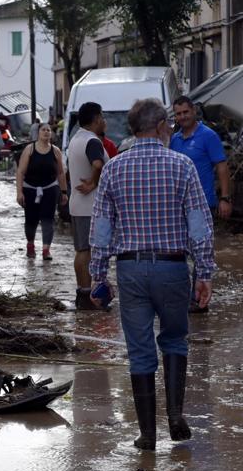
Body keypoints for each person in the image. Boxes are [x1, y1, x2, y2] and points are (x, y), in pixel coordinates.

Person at [89, 98, 215, 450]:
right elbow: (199, 228)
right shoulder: (183, 166)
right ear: (160, 126)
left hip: (130, 269)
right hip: (173, 267)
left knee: (140, 350)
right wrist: (204, 273)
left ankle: (147, 435)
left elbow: (101, 229)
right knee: (174, 340)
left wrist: (99, 275)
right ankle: (175, 415)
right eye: (170, 124)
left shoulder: (114, 168)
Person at [170, 95, 231, 313]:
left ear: (194, 111)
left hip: (203, 204)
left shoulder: (208, 136)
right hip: (178, 206)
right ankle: (184, 296)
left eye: (185, 112)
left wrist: (225, 198)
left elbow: (221, 167)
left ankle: (199, 300)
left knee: (201, 251)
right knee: (179, 251)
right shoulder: (174, 140)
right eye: (178, 114)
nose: (182, 117)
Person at [66, 101, 109, 310]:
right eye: (102, 116)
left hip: (78, 205)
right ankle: (86, 297)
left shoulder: (76, 139)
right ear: (96, 119)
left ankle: (84, 295)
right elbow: (98, 164)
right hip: (89, 207)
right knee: (86, 252)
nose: (105, 121)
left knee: (83, 250)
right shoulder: (92, 141)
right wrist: (93, 182)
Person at [17, 123, 68, 260]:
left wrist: (64, 192)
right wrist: (19, 192)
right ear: (38, 133)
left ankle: (46, 250)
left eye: (48, 130)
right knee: (31, 220)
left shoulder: (55, 151)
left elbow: (61, 173)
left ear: (51, 133)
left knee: (48, 219)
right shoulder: (30, 149)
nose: (46, 132)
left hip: (50, 188)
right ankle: (30, 245)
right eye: (43, 130)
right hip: (30, 189)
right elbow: (21, 172)